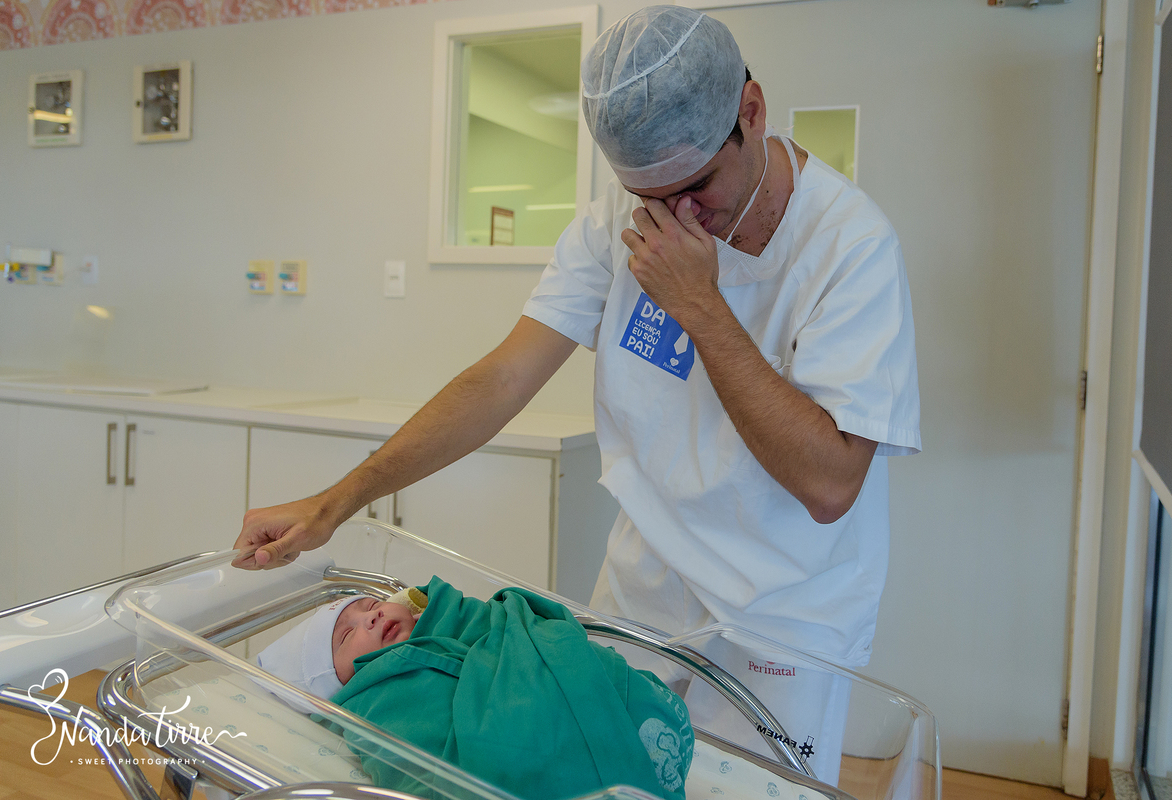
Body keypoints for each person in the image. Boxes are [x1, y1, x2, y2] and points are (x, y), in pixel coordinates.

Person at [235, 4, 920, 781]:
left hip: (784, 616)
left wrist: (701, 305)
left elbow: (829, 483)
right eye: (649, 197)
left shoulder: (850, 249)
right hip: (649, 586)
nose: (675, 217)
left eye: (695, 186)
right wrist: (337, 503)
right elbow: (500, 380)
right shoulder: (610, 227)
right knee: (599, 777)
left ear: (752, 113)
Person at [255, 578, 694, 800]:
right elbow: (421, 769)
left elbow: (526, 630)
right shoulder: (374, 705)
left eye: (369, 606)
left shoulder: (457, 620)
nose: (369, 618)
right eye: (346, 637)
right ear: (335, 686)